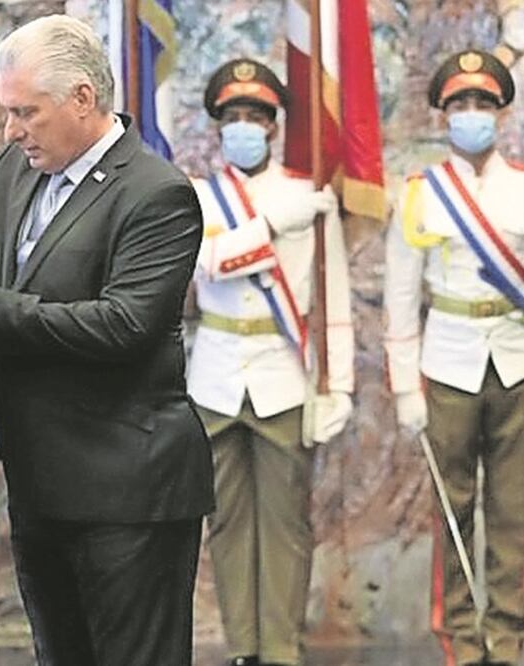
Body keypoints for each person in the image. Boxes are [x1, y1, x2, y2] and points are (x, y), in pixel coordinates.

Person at [0, 14, 214, 666]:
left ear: (82, 98)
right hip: (39, 483)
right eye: (6, 112)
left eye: (26, 112)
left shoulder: (155, 194)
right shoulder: (14, 169)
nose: (11, 130)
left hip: (126, 493)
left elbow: (123, 326)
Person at [383, 50, 524, 666]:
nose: (472, 115)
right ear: (443, 115)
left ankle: (508, 636)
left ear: (501, 112)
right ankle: (461, 639)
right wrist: (405, 389)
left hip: (519, 365)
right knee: (451, 507)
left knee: (514, 510)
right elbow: (402, 298)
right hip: (448, 365)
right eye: (460, 105)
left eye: (482, 104)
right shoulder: (421, 195)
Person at [185, 58, 355, 666]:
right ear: (218, 126)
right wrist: (268, 228)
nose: (245, 127)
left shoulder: (307, 195)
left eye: (256, 116)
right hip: (216, 375)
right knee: (226, 522)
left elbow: (333, 296)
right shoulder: (196, 198)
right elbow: (203, 265)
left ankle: (281, 650)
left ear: (274, 126)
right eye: (234, 117)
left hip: (286, 373)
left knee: (287, 523)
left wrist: (340, 386)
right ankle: (243, 648)